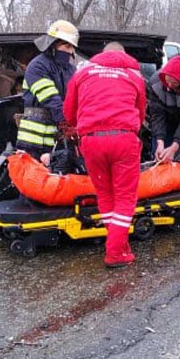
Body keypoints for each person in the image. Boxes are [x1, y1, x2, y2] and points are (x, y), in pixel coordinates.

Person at [63, 42, 146, 268]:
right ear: (123, 55)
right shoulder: (133, 75)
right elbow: (141, 112)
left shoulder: (83, 73)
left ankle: (117, 243)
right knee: (125, 198)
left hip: (91, 140)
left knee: (106, 195)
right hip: (123, 139)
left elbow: (69, 113)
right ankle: (115, 251)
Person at [16, 20, 79, 158]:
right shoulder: (37, 66)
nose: (70, 52)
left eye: (72, 48)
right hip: (33, 139)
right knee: (30, 177)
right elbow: (50, 98)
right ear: (53, 44)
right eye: (67, 46)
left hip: (56, 137)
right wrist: (65, 123)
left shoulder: (71, 69)